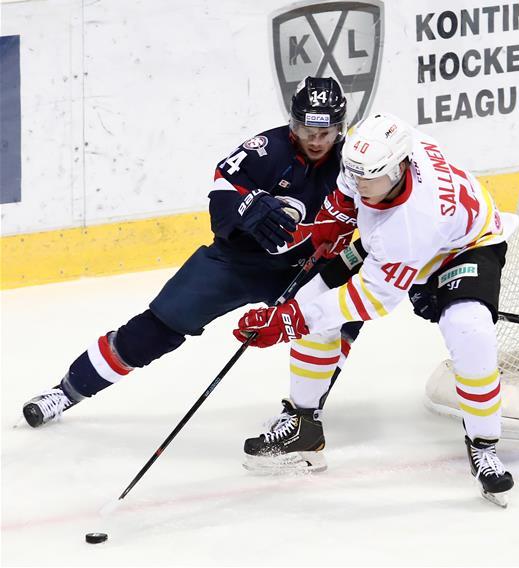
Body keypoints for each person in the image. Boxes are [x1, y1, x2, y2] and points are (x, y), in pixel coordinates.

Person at [22, 77, 361, 433]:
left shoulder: (354, 159)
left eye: (326, 132)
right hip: (236, 264)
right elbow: (220, 200)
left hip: (308, 268)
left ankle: (303, 414)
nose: (316, 141)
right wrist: (245, 208)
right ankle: (66, 392)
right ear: (293, 123)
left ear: (340, 127)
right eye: (307, 130)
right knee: (159, 326)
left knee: (340, 314)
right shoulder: (265, 150)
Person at [233, 112, 518, 507]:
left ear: (401, 167)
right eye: (356, 175)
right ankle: (303, 424)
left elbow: (370, 299)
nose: (361, 184)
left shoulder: (412, 221)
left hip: (465, 247)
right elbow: (351, 185)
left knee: (470, 330)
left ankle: (484, 445)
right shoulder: (379, 151)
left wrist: (289, 323)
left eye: (370, 178)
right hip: (399, 241)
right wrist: (335, 216)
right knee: (309, 301)